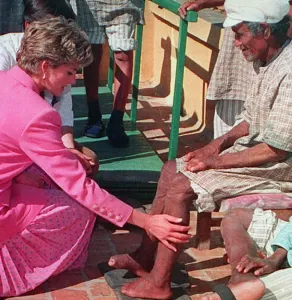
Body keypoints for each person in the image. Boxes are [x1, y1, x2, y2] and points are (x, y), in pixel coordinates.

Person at [108, 0, 292, 298]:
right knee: (172, 167)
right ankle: (145, 258)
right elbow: (251, 120)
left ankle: (159, 282)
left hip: (284, 168)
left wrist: (215, 163)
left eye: (240, 35)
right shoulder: (265, 59)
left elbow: (277, 150)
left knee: (182, 185)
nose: (236, 43)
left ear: (264, 30)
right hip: (264, 154)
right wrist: (214, 145)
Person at [0, 16, 191, 297]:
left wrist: (20, 176)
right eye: (70, 72)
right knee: (79, 207)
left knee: (65, 172)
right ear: (44, 67)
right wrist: (146, 221)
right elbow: (79, 187)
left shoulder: (5, 81)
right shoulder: (37, 114)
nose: (74, 80)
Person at [0, 0, 100, 177]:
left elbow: (64, 116)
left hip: (38, 141)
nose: (60, 40)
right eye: (54, 33)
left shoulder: (61, 60)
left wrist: (69, 151)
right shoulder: (4, 53)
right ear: (29, 26)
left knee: (88, 161)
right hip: (10, 148)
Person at [179, 0, 292, 138]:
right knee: (231, 113)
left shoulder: (289, 64)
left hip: (268, 38)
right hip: (244, 40)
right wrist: (202, 3)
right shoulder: (238, 39)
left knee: (266, 122)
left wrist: (276, 53)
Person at [68, 0, 144, 147]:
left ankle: (117, 119)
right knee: (91, 52)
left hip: (123, 4)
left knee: (123, 53)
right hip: (89, 4)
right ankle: (94, 114)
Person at [200, 207, 292, 300]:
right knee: (235, 217)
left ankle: (237, 293)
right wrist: (275, 259)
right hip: (288, 246)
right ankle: (242, 279)